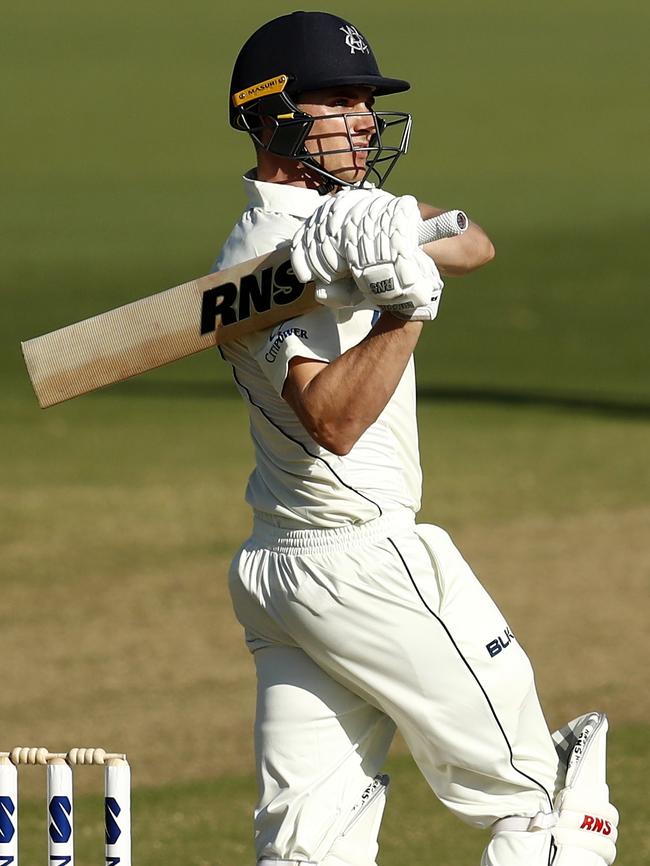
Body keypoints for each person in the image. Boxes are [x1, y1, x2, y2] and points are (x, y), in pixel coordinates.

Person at [214, 12, 618, 866]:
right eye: (339, 100)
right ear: (274, 113)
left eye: (368, 101)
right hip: (364, 564)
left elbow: (475, 243)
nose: (364, 119)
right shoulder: (264, 263)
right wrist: (405, 310)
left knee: (308, 850)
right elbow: (333, 422)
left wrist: (395, 221)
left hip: (283, 569)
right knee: (553, 809)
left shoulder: (341, 214)